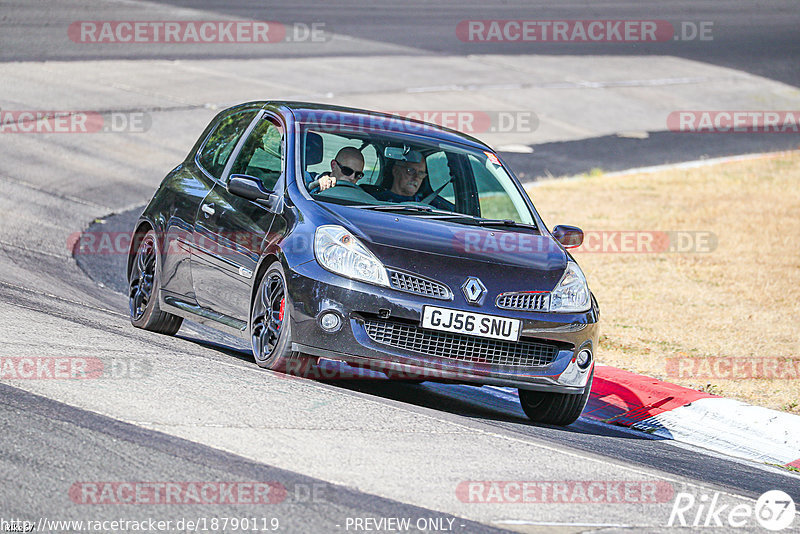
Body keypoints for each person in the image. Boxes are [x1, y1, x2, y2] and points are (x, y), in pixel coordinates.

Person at [374, 159, 454, 211]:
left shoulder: (430, 206)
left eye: (421, 173)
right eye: (411, 171)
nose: (416, 178)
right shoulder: (375, 201)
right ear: (396, 171)